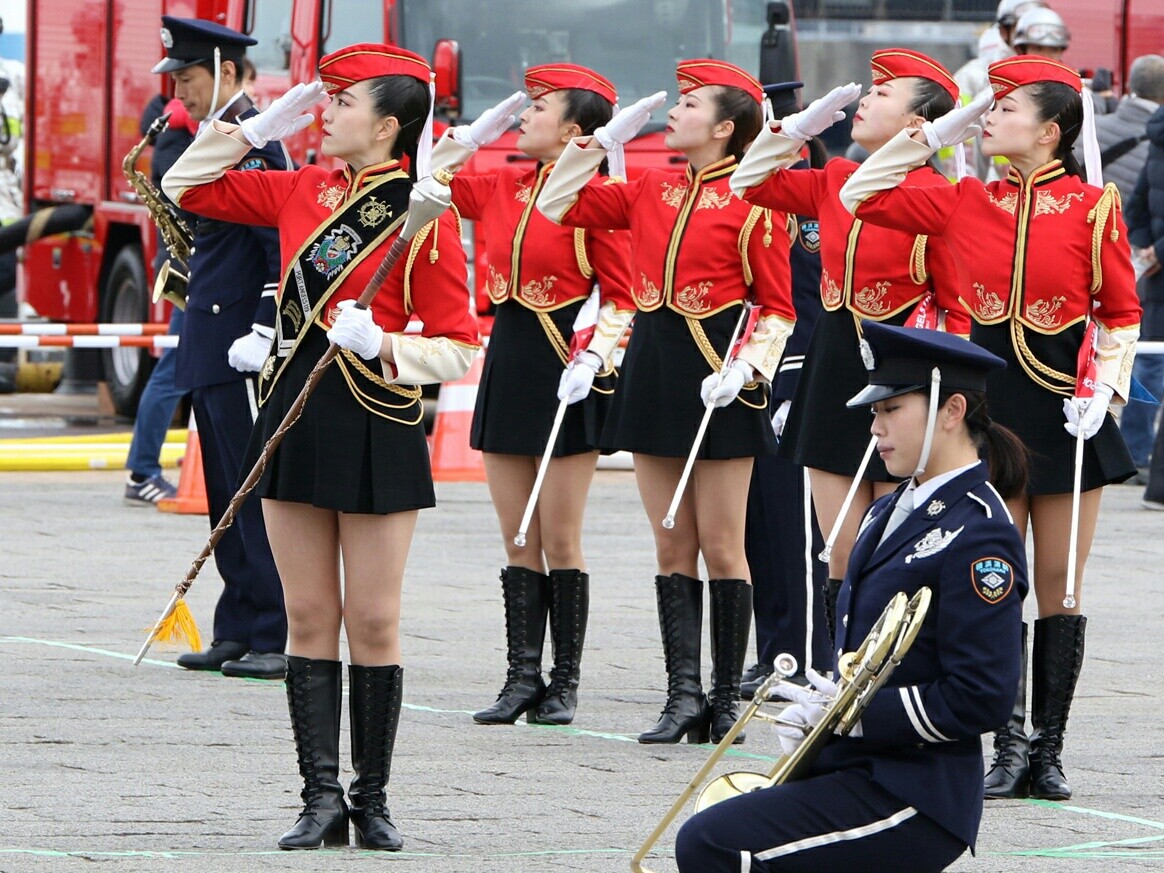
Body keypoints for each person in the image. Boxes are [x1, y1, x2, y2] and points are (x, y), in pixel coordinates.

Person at [163, 45, 478, 850]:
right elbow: (185, 187)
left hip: (377, 418)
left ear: (389, 125)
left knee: (372, 619)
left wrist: (388, 346)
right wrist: (247, 125)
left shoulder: (422, 210)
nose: (325, 113)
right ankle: (318, 797)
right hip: (294, 415)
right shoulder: (303, 186)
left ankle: (373, 798)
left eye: (343, 103)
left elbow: (460, 345)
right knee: (308, 613)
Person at [839, 55, 1142, 801]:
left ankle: (1048, 749)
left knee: (1060, 585)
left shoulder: (1093, 206)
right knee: (992, 584)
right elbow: (859, 191)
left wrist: (1103, 392)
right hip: (990, 417)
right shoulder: (959, 198)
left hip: (1066, 417)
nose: (990, 118)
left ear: (1050, 129)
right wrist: (936, 132)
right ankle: (1003, 744)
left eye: (1005, 110)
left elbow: (1121, 311)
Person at [674, 322, 1029, 873]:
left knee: (713, 844)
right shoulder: (887, 511)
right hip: (859, 769)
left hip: (916, 793)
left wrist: (856, 715)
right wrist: (825, 712)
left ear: (951, 410)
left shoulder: (981, 531)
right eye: (874, 412)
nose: (874, 427)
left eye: (890, 411)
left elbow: (983, 694)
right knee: (716, 831)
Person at [537, 59, 796, 745]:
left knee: (722, 543)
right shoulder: (646, 186)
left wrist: (747, 371)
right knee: (671, 540)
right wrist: (588, 148)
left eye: (690, 104)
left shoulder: (756, 202)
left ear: (725, 128)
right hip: (654, 368)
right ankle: (681, 694)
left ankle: (721, 701)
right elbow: (556, 202)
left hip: (719, 378)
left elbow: (777, 309)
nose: (674, 113)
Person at [731, 49, 968, 636]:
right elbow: (749, 181)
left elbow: (957, 308)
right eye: (869, 91)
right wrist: (795, 129)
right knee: (837, 547)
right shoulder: (834, 177)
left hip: (903, 367)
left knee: (893, 545)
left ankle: (892, 684)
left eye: (884, 95)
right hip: (834, 364)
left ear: (918, 126)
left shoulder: (945, 196)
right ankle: (841, 686)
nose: (866, 100)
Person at [430, 65, 634, 727]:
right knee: (518, 535)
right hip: (509, 360)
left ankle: (565, 681)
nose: (524, 114)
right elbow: (427, 186)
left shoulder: (594, 200)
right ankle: (522, 675)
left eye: (540, 107)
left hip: (565, 368)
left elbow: (623, 296)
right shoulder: (498, 185)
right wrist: (463, 138)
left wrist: (597, 355)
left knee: (560, 536)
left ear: (575, 130)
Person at [150, 17, 289, 681]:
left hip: (237, 337)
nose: (180, 89)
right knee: (222, 493)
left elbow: (275, 247)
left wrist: (262, 328)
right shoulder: (212, 139)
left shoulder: (257, 145)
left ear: (227, 72)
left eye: (189, 77)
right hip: (207, 334)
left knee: (248, 487)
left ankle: (272, 628)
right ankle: (237, 622)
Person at [741, 80, 832, 696]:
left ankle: (803, 653)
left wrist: (803, 380)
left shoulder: (805, 200)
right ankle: (773, 648)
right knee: (758, 527)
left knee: (796, 526)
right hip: (746, 371)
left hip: (798, 366)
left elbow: (813, 298)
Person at [123, 95, 198, 506]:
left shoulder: (176, 128)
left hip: (191, 265)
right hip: (191, 266)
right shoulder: (177, 137)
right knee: (173, 370)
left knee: (178, 369)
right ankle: (142, 471)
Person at [1130, 103, 1164, 507]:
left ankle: (1137, 454)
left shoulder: (1156, 140)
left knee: (1149, 367)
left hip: (1156, 283)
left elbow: (1135, 206)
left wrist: (1148, 250)